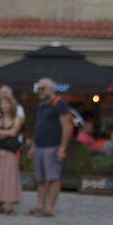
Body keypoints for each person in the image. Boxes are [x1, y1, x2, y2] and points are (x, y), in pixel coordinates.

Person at [29, 77, 72, 217]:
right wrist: (33, 146)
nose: (40, 91)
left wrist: (62, 148)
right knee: (40, 179)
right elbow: (38, 128)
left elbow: (66, 126)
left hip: (53, 146)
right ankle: (41, 205)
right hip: (39, 147)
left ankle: (50, 207)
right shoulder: (41, 105)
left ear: (51, 89)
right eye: (38, 89)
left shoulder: (59, 103)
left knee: (52, 178)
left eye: (43, 88)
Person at [0, 92, 24, 214]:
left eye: (6, 103)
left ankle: (9, 206)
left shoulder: (17, 118)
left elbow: (14, 133)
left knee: (9, 177)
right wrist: (7, 133)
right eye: (2, 103)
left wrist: (1, 133)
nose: (4, 105)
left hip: (10, 153)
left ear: (11, 104)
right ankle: (0, 204)